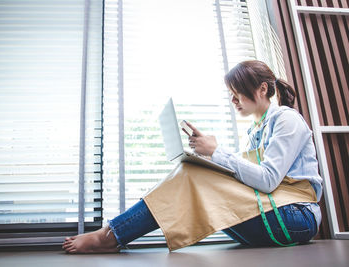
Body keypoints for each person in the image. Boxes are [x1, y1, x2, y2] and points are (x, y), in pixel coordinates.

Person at [62, 60, 323, 254]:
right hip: (275, 211)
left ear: (262, 89)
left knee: (193, 177)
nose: (233, 100)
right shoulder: (255, 131)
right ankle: (114, 233)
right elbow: (251, 184)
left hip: (296, 217)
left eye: (237, 93)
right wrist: (211, 158)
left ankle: (112, 236)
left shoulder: (286, 119)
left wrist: (216, 152)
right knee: (192, 176)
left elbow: (267, 181)